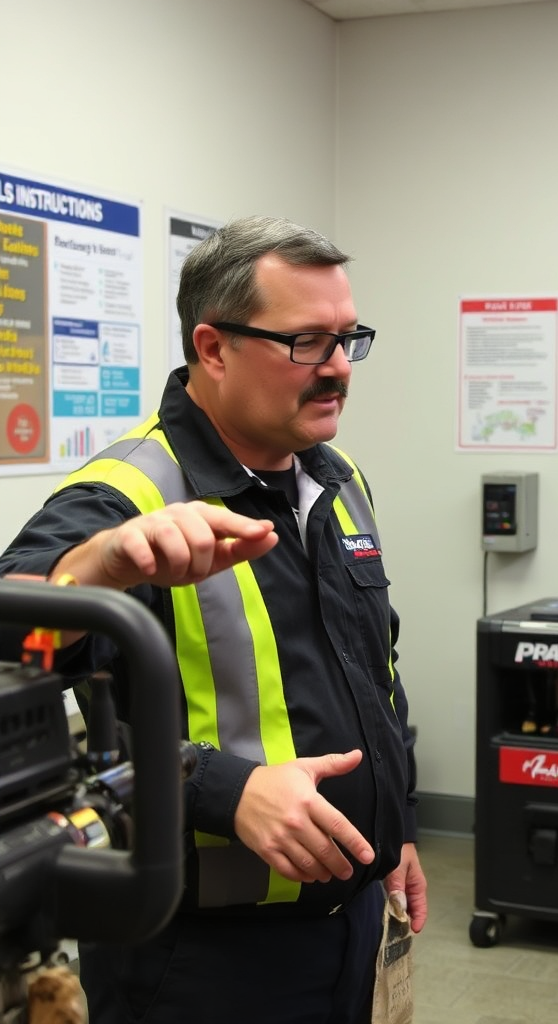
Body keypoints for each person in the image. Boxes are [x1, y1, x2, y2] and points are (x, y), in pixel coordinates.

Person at [0, 216, 426, 1024]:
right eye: (307, 343)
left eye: (347, 339)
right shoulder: (128, 494)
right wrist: (223, 789)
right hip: (199, 959)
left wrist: (397, 827)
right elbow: (13, 641)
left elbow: (379, 672)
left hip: (352, 926)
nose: (337, 369)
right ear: (215, 347)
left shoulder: (337, 481)